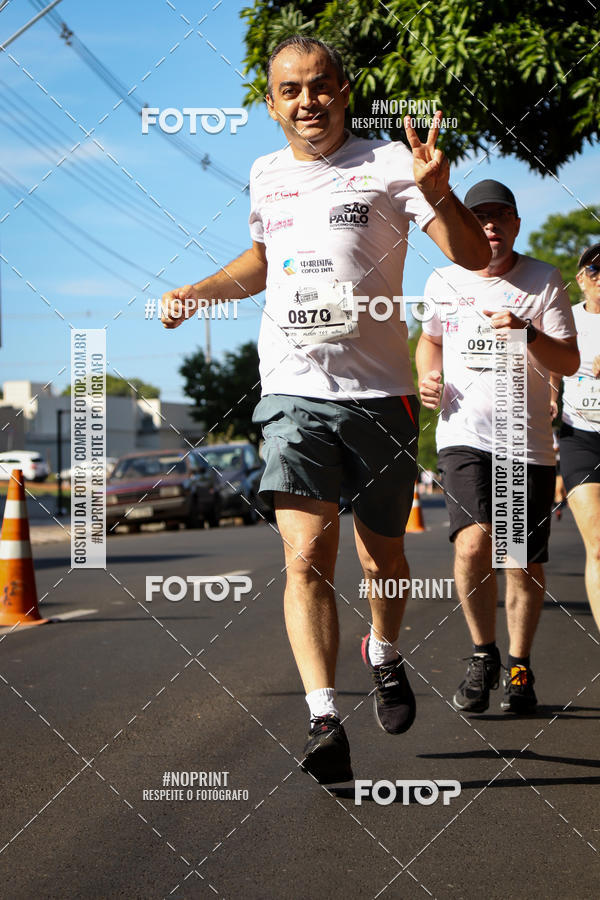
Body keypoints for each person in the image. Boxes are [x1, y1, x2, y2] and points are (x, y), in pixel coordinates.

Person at [161, 35, 490, 783]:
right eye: (291, 90)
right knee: (306, 555)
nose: (307, 100)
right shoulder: (264, 173)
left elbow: (472, 257)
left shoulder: (391, 165)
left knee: (386, 558)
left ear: (345, 90)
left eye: (321, 86)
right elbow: (259, 261)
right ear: (272, 102)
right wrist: (197, 292)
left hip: (380, 394)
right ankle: (322, 717)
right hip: (290, 390)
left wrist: (439, 193)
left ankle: (382, 649)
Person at [417, 179, 579, 715]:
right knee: (472, 544)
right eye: (478, 216)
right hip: (463, 434)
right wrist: (428, 377)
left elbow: (569, 363)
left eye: (499, 216)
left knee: (521, 563)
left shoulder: (543, 281)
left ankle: (519, 665)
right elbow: (431, 340)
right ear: (463, 223)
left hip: (526, 442)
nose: (488, 225)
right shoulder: (442, 279)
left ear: (515, 223)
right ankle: (482, 653)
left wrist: (529, 332)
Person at [552, 243, 600, 632]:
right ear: (581, 279)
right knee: (598, 546)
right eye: (595, 270)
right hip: (579, 436)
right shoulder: (567, 319)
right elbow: (550, 362)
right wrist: (551, 395)